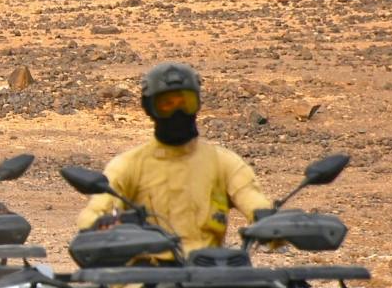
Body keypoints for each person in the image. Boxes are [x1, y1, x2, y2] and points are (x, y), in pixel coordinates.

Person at [75, 62, 272, 254]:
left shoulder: (224, 163)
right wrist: (101, 224)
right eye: (166, 105)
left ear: (197, 104)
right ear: (149, 109)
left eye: (185, 103)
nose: (178, 112)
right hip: (147, 271)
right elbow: (92, 214)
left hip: (210, 269)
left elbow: (255, 203)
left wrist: (268, 223)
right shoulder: (129, 165)